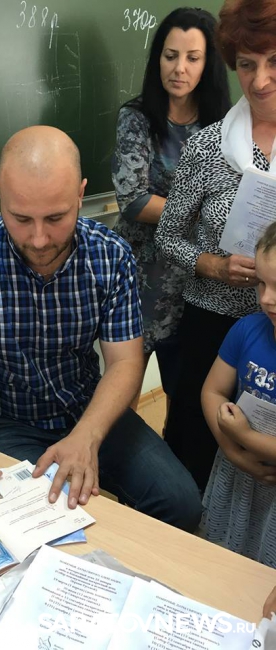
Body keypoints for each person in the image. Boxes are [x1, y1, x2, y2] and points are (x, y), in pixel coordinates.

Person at [0, 125, 201, 532]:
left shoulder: (110, 256)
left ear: (80, 194)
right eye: (21, 218)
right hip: (3, 420)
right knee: (35, 526)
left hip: (88, 408)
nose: (39, 239)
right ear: (0, 195)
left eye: (56, 218)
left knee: (181, 503)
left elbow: (125, 362)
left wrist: (87, 436)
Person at [155, 0, 276, 492]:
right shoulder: (207, 147)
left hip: (273, 329)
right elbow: (167, 236)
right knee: (197, 449)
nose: (260, 80)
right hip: (211, 323)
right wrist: (210, 264)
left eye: (274, 61)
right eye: (246, 64)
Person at [112, 7, 230, 411]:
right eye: (170, 55)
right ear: (157, 59)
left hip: (198, 277)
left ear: (208, 64)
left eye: (192, 58)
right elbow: (134, 200)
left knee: (187, 395)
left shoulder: (224, 125)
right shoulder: (137, 117)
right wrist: (201, 209)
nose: (179, 68)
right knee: (123, 390)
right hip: (141, 275)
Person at [200, 223, 276, 567]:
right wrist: (233, 450)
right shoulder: (247, 329)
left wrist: (244, 437)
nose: (266, 298)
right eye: (262, 283)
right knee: (227, 559)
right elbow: (213, 390)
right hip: (239, 475)